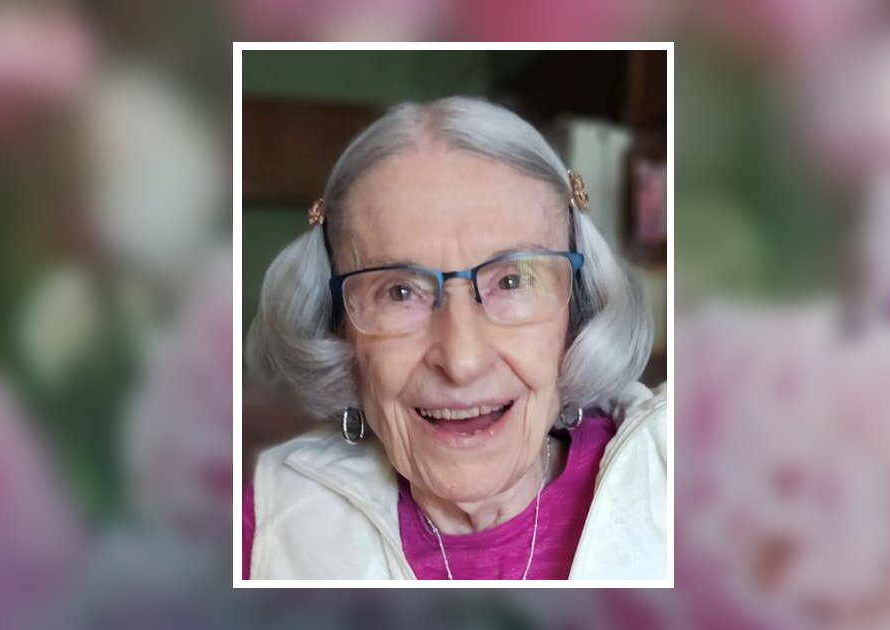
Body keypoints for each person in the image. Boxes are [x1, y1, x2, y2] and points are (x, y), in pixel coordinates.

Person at [244, 96, 667, 580]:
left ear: (578, 308)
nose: (462, 360)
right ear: (339, 329)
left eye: (512, 281)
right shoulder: (266, 523)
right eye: (400, 291)